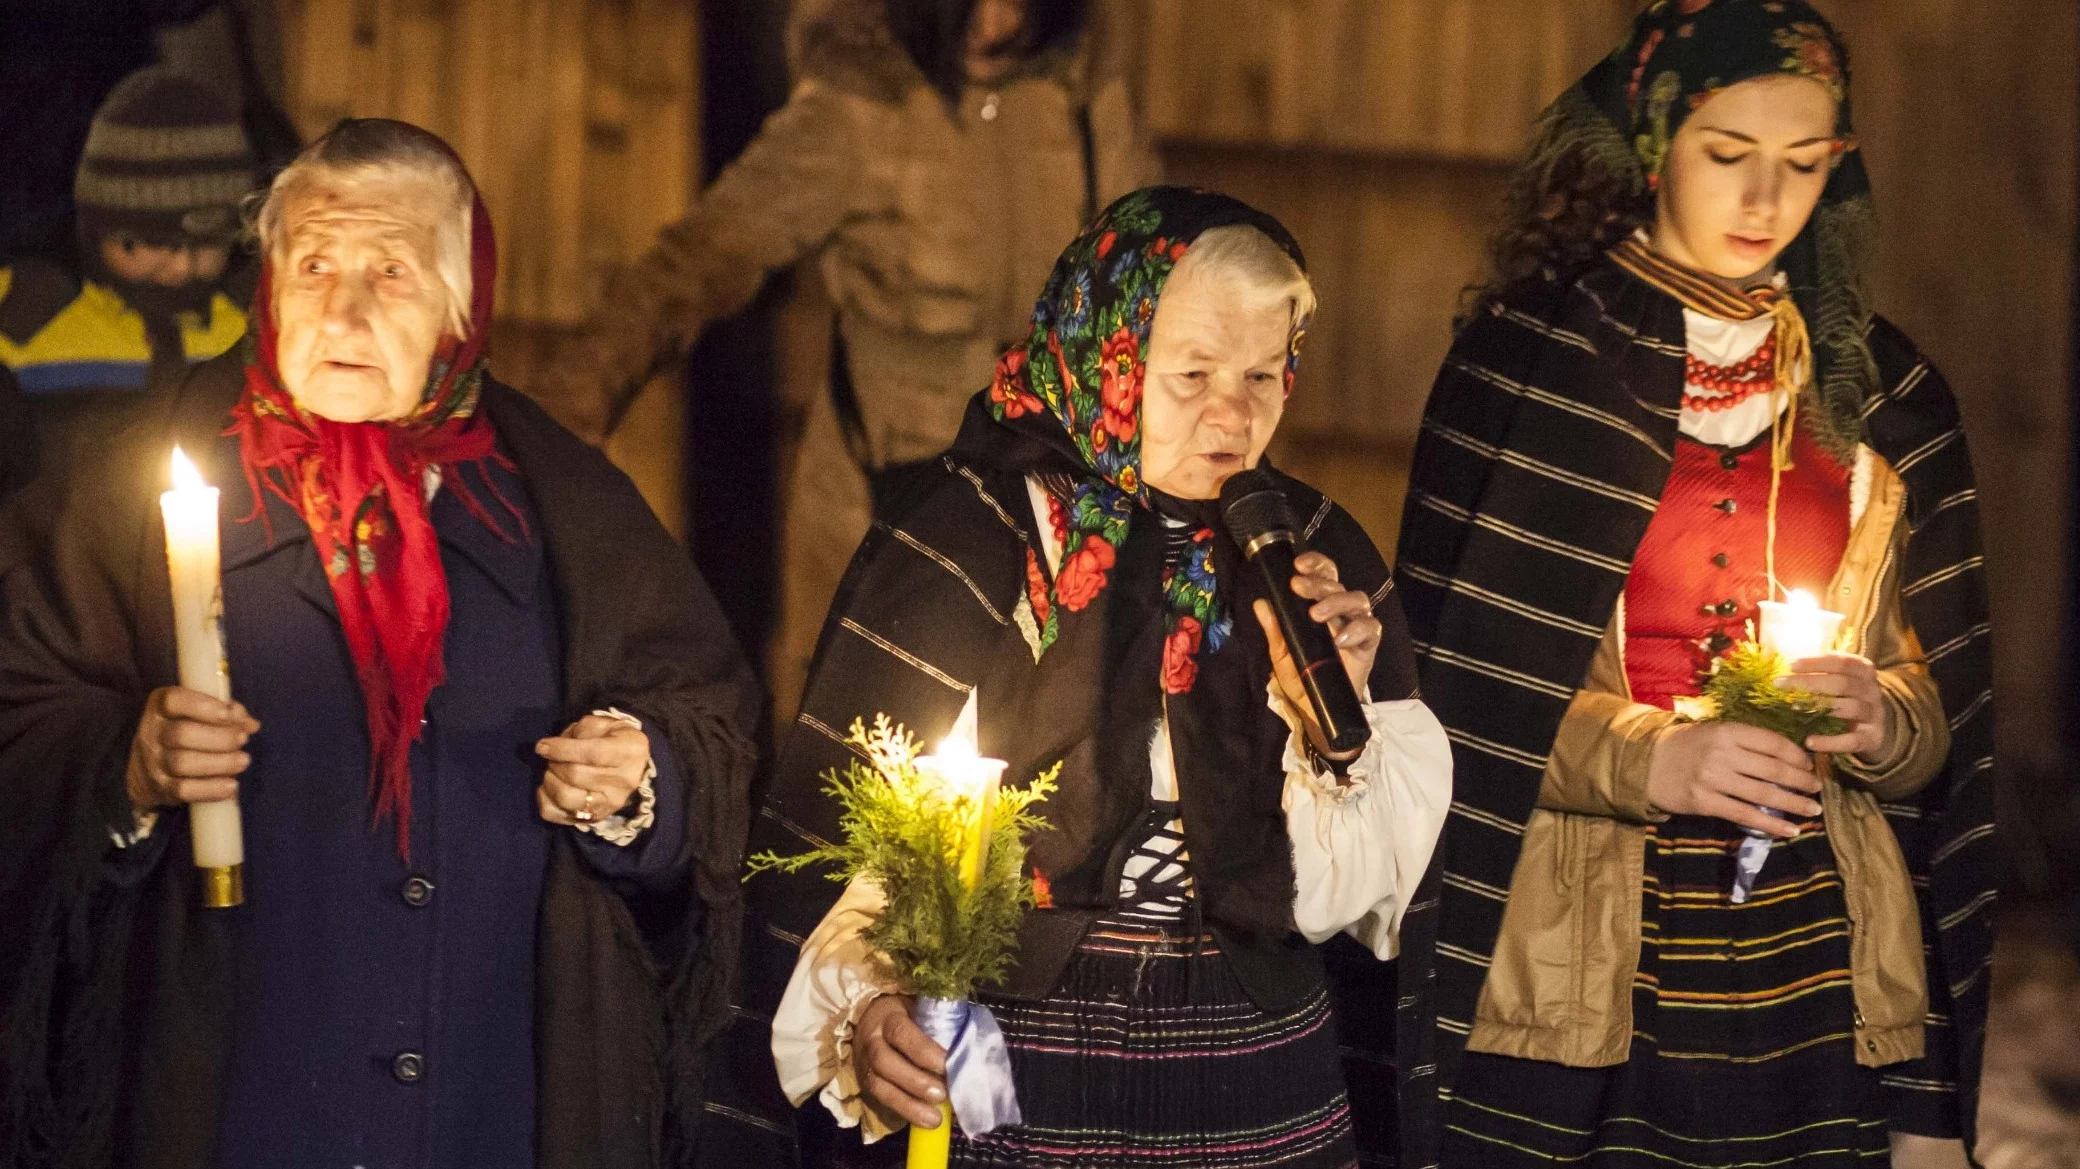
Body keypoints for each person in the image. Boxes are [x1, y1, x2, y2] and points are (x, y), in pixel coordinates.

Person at [0, 119, 761, 1169]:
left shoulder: (568, 507)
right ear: (269, 283)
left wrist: (640, 784)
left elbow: (707, 727)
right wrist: (120, 769)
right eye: (314, 263)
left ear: (461, 301)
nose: (344, 308)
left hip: (492, 1110)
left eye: (391, 270)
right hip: (228, 1106)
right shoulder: (126, 495)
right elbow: (24, 710)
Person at [722, 188, 1453, 1167]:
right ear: (1101, 353)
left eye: (1264, 374)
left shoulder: (1312, 551)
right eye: (1189, 373)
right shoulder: (975, 529)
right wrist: (870, 998)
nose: (1233, 413)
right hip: (1021, 1067)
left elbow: (1351, 901)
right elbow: (852, 822)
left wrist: (1337, 721)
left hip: (1256, 1071)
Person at [1395, 3, 1998, 1166]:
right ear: (1653, 142)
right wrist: (1651, 754)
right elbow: (1445, 700)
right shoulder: (1530, 369)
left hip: (1812, 956)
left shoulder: (1883, 402)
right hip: (1568, 956)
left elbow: (1943, 738)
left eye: (1803, 163)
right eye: (1728, 156)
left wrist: (1885, 719)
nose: (1765, 202)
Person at [536, 0, 1160, 713]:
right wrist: (564, 414)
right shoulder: (857, 107)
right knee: (858, 756)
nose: (993, 22)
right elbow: (701, 259)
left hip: (1056, 502)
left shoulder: (1084, 97)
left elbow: (1152, 270)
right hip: (889, 496)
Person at [0, 67, 255, 402]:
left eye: (209, 243)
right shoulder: (22, 316)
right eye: (153, 243)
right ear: (97, 232)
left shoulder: (256, 325)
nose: (180, 267)